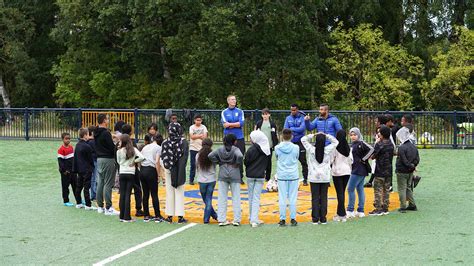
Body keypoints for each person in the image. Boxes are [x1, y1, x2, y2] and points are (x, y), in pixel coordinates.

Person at [301, 132, 338, 225]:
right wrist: (326, 135)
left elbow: (303, 139)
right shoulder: (327, 150)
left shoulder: (311, 149)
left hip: (313, 177)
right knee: (324, 197)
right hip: (325, 177)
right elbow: (335, 142)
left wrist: (313, 134)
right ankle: (323, 218)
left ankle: (315, 218)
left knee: (315, 198)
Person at [208, 133, 244, 226]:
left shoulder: (220, 149)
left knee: (222, 197)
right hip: (234, 174)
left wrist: (218, 162)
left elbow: (210, 155)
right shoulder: (236, 149)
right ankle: (236, 219)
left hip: (223, 173)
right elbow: (240, 156)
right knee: (236, 197)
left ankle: (221, 219)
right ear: (234, 141)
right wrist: (237, 163)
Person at [161, 123, 189, 224]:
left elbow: (163, 156)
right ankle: (180, 216)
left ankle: (169, 215)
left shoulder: (165, 142)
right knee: (179, 192)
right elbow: (185, 157)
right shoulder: (183, 142)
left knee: (170, 192)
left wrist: (168, 167)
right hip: (179, 169)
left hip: (168, 169)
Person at [116, 134, 145, 222]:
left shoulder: (119, 151)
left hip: (122, 172)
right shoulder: (133, 150)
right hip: (131, 173)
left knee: (123, 194)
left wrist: (123, 163)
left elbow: (118, 161)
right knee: (128, 194)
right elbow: (142, 157)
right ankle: (127, 217)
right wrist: (134, 162)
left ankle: (121, 216)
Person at [244, 130, 270, 228]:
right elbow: (268, 164)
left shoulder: (251, 149)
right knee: (256, 198)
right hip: (260, 176)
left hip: (250, 175)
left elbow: (246, 161)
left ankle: (252, 217)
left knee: (251, 197)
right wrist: (267, 175)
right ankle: (254, 219)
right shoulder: (266, 149)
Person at [347, 127, 374, 219]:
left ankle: (350, 210)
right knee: (360, 189)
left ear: (358, 135)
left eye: (355, 135)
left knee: (350, 189)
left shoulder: (361, 143)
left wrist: (364, 159)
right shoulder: (353, 144)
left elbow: (372, 149)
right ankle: (360, 211)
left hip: (359, 169)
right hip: (357, 169)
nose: (353, 137)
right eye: (351, 135)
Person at [94, 113, 119, 215]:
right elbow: (111, 147)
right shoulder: (106, 133)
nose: (108, 121)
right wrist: (117, 144)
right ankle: (108, 207)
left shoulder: (95, 132)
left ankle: (100, 206)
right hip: (108, 159)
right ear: (104, 120)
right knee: (108, 183)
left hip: (99, 159)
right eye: (107, 119)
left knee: (101, 182)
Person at [275, 129, 300, 227]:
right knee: (293, 197)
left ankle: (282, 219)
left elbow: (277, 158)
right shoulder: (296, 147)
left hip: (282, 174)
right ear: (291, 136)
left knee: (282, 197)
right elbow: (296, 158)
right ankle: (293, 218)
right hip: (293, 174)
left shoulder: (277, 147)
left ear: (282, 136)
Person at [369, 126, 394, 216]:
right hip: (389, 170)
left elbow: (373, 156)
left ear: (382, 134)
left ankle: (378, 208)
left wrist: (376, 142)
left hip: (380, 170)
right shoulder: (391, 144)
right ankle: (385, 207)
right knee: (386, 190)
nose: (378, 134)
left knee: (378, 190)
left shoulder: (379, 144)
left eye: (380, 132)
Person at [140, 134, 165, 222]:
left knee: (145, 194)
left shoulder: (145, 147)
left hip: (142, 169)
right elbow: (157, 161)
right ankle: (157, 215)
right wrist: (158, 175)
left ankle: (146, 215)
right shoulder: (158, 148)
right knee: (154, 193)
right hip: (151, 170)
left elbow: (140, 158)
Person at [221, 95, 246, 184]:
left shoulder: (240, 111)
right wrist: (236, 124)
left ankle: (240, 177)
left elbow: (241, 123)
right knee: (228, 157)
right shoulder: (224, 112)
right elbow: (224, 125)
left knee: (239, 157)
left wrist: (230, 124)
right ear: (228, 101)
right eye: (232, 99)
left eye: (235, 99)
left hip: (239, 137)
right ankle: (228, 177)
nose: (234, 101)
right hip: (228, 138)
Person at [330, 129, 353, 222]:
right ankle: (340, 213)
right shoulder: (348, 147)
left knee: (339, 193)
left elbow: (331, 160)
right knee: (342, 192)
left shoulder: (335, 148)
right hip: (347, 172)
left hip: (337, 172)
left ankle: (342, 214)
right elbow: (351, 160)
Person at [396, 125, 420, 213]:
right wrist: (413, 166)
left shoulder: (401, 147)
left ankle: (403, 206)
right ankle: (412, 204)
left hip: (402, 171)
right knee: (408, 187)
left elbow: (404, 160)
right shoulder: (413, 146)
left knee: (402, 188)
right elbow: (417, 159)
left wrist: (410, 165)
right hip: (410, 171)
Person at [283, 104, 308, 185]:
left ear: (297, 110)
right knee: (288, 161)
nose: (292, 112)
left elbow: (302, 129)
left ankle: (305, 179)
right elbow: (285, 129)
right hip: (291, 142)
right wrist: (294, 130)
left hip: (301, 142)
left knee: (303, 161)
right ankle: (288, 178)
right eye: (291, 110)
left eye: (294, 110)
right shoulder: (288, 118)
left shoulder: (302, 117)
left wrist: (292, 129)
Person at [73, 128, 95, 210]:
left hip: (80, 169)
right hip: (87, 169)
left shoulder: (77, 145)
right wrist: (92, 167)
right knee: (86, 188)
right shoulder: (87, 146)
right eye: (88, 134)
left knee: (79, 187)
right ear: (85, 135)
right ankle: (88, 205)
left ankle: (78, 202)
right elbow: (90, 159)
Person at [196, 138, 218, 224]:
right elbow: (216, 164)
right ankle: (212, 216)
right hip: (211, 179)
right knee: (208, 199)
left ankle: (208, 218)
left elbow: (196, 166)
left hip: (201, 180)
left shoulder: (198, 155)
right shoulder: (213, 155)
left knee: (206, 200)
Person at [254, 108, 279, 181]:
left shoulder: (272, 124)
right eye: (263, 114)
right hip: (260, 146)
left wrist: (275, 144)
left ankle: (267, 178)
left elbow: (275, 134)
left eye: (266, 114)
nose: (265, 116)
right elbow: (255, 133)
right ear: (262, 115)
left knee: (268, 161)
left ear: (269, 115)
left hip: (269, 146)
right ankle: (260, 175)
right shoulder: (259, 123)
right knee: (260, 161)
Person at [57, 132, 76, 207]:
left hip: (73, 171)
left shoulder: (71, 147)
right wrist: (64, 171)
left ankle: (79, 200)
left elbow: (73, 159)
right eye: (66, 139)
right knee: (65, 187)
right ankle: (66, 201)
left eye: (69, 139)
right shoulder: (61, 150)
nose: (68, 140)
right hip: (65, 173)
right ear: (62, 139)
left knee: (76, 186)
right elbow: (60, 162)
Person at [189, 114, 208, 185]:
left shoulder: (204, 127)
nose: (198, 122)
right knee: (193, 165)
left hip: (201, 148)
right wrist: (200, 136)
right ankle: (191, 180)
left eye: (200, 120)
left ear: (201, 121)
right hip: (193, 148)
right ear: (194, 120)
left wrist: (196, 136)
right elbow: (192, 137)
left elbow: (205, 137)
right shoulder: (191, 127)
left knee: (201, 165)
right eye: (197, 120)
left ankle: (201, 179)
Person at [86, 126, 98, 201]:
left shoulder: (88, 141)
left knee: (92, 177)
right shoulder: (93, 142)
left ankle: (92, 194)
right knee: (94, 178)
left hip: (89, 161)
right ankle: (93, 195)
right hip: (94, 160)